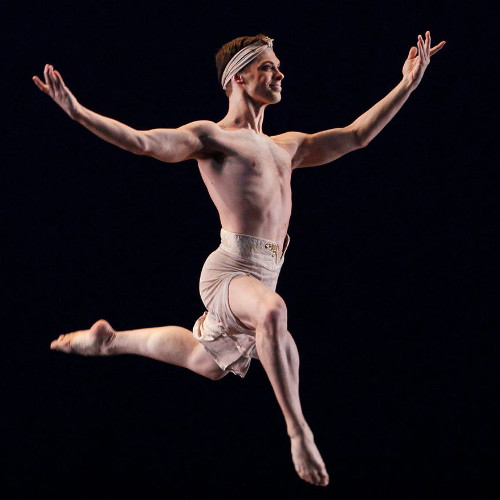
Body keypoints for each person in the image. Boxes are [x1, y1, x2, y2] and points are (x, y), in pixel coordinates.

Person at [33, 31, 445, 487]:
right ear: (238, 78)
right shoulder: (211, 137)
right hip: (229, 271)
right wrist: (78, 111)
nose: (280, 73)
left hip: (264, 275)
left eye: (278, 66)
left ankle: (109, 341)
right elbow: (143, 142)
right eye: (268, 67)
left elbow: (356, 136)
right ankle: (299, 434)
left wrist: (407, 84)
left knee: (206, 361)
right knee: (273, 314)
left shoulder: (286, 146)